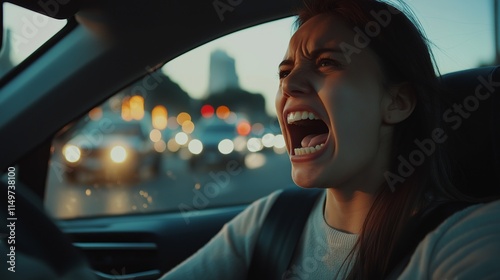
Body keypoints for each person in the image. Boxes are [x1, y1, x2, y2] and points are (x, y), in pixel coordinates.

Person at [161, 0, 500, 279]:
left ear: (396, 103)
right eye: (284, 71)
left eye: (326, 62)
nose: (289, 84)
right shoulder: (271, 220)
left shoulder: (469, 238)